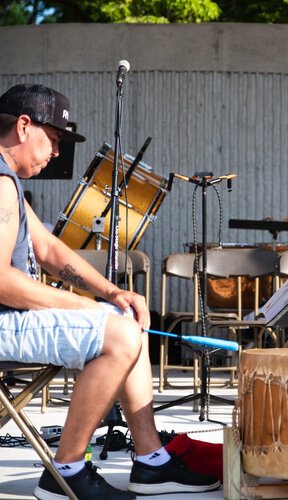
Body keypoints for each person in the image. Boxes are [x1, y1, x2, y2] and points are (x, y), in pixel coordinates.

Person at [0, 83, 220, 499]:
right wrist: (87, 305)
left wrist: (113, 294)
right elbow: (2, 283)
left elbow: (47, 248)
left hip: (9, 320)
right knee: (116, 332)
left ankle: (151, 461)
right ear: (25, 126)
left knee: (125, 320)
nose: (57, 153)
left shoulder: (6, 178)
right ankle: (65, 471)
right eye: (54, 140)